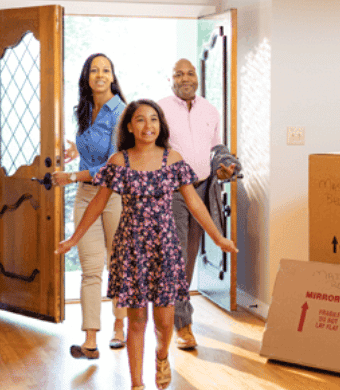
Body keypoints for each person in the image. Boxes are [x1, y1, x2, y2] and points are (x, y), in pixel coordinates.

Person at [55, 100, 238, 390]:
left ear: (161, 125)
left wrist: (218, 237)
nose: (148, 126)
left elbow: (194, 204)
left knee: (164, 323)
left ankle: (162, 356)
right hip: (131, 250)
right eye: (140, 120)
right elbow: (97, 205)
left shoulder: (173, 160)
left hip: (165, 249)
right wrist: (73, 239)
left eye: (154, 119)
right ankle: (137, 384)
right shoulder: (119, 162)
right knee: (137, 321)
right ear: (129, 126)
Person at [158, 58, 242, 350]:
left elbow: (215, 149)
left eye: (190, 73)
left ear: (197, 77)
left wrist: (224, 166)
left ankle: (172, 313)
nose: (185, 78)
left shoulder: (210, 110)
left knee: (189, 257)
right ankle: (182, 325)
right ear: (170, 80)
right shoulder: (160, 109)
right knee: (178, 258)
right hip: (173, 193)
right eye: (178, 73)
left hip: (204, 190)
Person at [51, 53, 127, 359]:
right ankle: (90, 340)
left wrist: (70, 176)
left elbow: (112, 165)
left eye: (105, 70)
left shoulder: (121, 112)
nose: (100, 75)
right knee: (90, 268)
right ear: (87, 76)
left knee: (118, 264)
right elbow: (90, 150)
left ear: (112, 76)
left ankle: (119, 327)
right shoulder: (84, 110)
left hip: (112, 197)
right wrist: (75, 150)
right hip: (85, 195)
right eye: (94, 70)